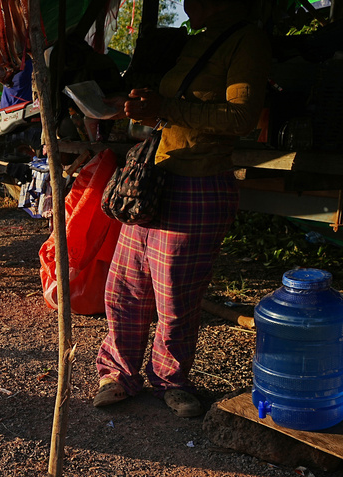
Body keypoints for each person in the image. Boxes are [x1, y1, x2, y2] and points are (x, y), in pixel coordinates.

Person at [93, 0, 271, 418]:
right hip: (156, 179)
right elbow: (175, 112)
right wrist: (145, 106)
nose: (186, 4)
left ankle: (170, 380)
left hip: (199, 183)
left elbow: (242, 116)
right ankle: (117, 373)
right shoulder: (198, 40)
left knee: (176, 295)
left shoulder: (246, 40)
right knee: (126, 285)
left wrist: (165, 108)